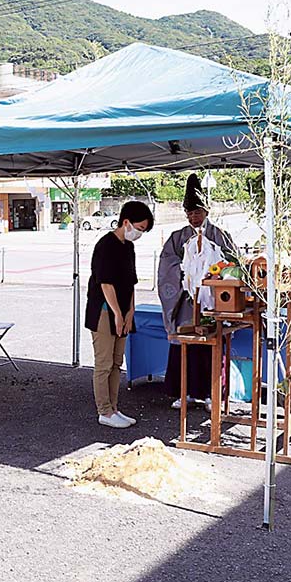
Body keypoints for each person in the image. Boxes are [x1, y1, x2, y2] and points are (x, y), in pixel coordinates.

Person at [158, 174, 236, 409]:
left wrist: (215, 276)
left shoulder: (219, 236)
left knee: (212, 345)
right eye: (189, 213)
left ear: (206, 211)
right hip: (185, 301)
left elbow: (234, 263)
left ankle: (214, 394)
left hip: (212, 301)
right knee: (186, 346)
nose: (193, 217)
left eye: (197, 212)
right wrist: (185, 275)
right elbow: (166, 265)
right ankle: (185, 392)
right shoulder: (177, 237)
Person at [85, 201, 154, 429]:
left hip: (123, 311)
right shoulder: (106, 245)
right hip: (104, 311)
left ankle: (114, 408)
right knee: (103, 363)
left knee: (116, 362)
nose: (140, 234)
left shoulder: (128, 247)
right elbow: (105, 283)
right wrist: (117, 313)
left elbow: (131, 282)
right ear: (126, 222)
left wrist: (130, 311)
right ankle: (104, 411)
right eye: (140, 229)